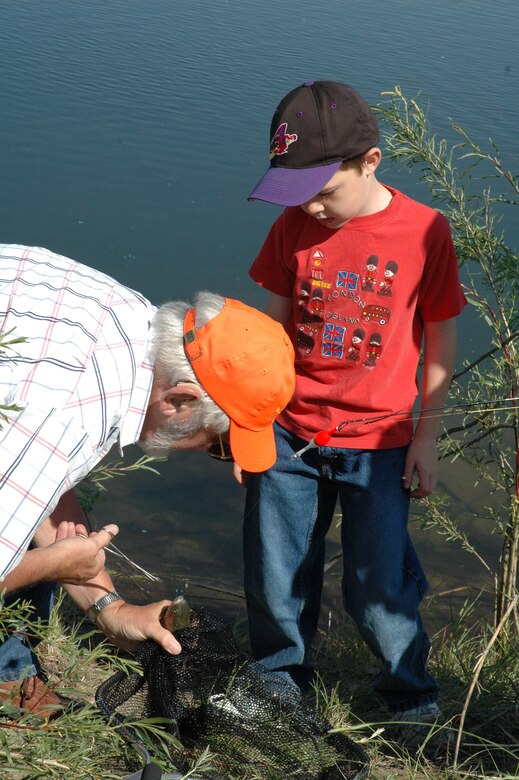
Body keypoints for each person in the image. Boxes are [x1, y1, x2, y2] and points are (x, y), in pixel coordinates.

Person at [241, 81, 466, 736]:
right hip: (289, 435)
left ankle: (408, 694)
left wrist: (425, 437)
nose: (309, 205)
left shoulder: (424, 230)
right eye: (294, 192)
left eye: (320, 189)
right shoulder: (293, 226)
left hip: (382, 442)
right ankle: (278, 683)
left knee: (377, 583)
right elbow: (269, 333)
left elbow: (441, 336)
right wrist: (250, 420)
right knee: (276, 570)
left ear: (369, 160)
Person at [0, 243, 295, 717]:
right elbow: (44, 439)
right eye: (216, 442)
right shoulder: (71, 406)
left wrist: (111, 611)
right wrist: (51, 565)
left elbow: (37, 478)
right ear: (179, 399)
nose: (209, 453)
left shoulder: (134, 328)